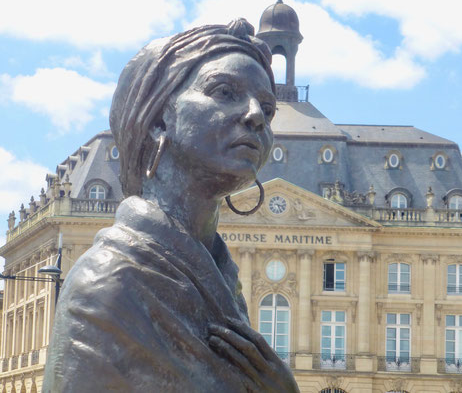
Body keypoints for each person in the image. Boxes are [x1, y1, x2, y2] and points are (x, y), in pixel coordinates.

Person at [42, 19, 300, 393]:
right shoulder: (110, 283)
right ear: (158, 118)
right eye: (224, 91)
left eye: (267, 107)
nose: (256, 115)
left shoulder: (222, 280)